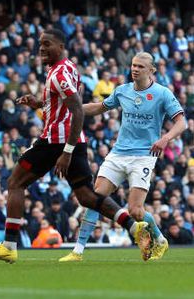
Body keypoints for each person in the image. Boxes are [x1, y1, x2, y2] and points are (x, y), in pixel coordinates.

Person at [0, 29, 152, 264]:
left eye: (47, 44)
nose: (41, 49)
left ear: (60, 46)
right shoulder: (66, 67)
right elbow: (60, 102)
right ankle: (134, 228)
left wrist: (66, 153)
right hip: (72, 140)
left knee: (15, 183)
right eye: (40, 44)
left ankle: (9, 246)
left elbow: (77, 109)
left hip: (55, 141)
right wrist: (38, 103)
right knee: (87, 196)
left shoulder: (59, 74)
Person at [60, 52, 186, 262]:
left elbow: (182, 122)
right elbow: (99, 107)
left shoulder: (162, 93)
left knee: (135, 211)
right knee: (95, 198)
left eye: (140, 66)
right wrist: (72, 109)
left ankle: (160, 239)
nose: (135, 69)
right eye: (133, 65)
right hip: (118, 153)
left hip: (144, 156)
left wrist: (166, 139)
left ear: (151, 70)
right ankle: (78, 250)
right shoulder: (123, 90)